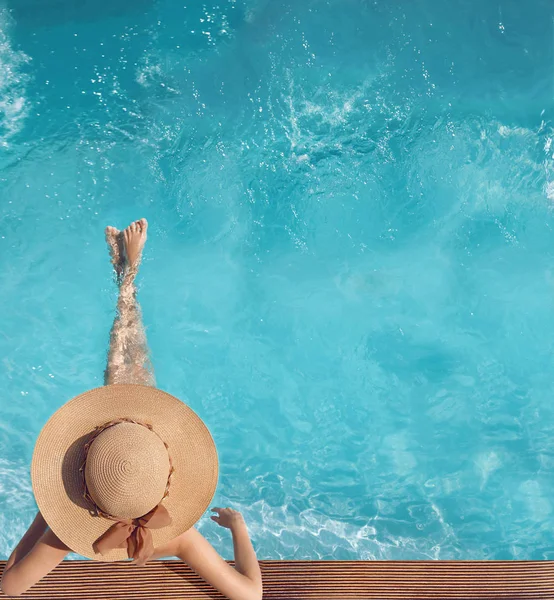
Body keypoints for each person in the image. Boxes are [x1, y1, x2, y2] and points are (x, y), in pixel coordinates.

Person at [1, 219, 263, 600]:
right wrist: (238, 527)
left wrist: (47, 514)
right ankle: (126, 276)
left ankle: (126, 276)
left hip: (108, 483)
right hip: (132, 471)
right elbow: (251, 594)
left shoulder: (64, 537)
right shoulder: (181, 539)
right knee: (124, 375)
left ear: (83, 482)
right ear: (162, 488)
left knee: (128, 373)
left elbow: (8, 586)